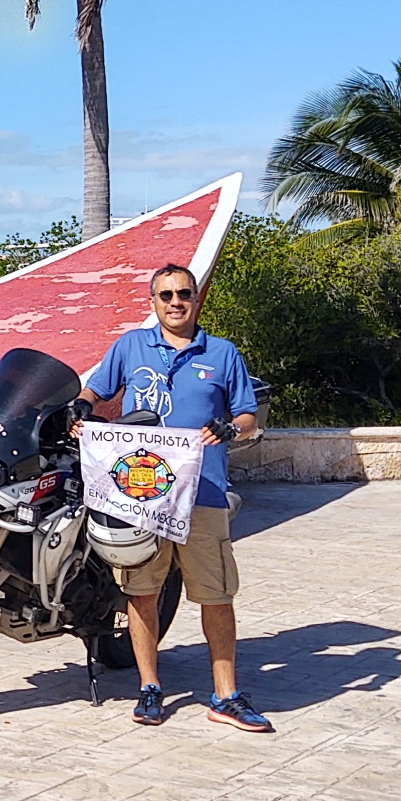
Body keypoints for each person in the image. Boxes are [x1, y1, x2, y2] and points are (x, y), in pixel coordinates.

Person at [69, 263, 266, 731]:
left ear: (196, 299)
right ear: (152, 301)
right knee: (142, 592)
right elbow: (95, 390)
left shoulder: (222, 353)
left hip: (204, 493)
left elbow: (248, 418)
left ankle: (226, 695)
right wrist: (81, 407)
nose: (176, 302)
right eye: (166, 295)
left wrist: (229, 428)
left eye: (184, 294)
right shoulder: (130, 346)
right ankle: (150, 688)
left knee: (216, 595)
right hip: (140, 495)